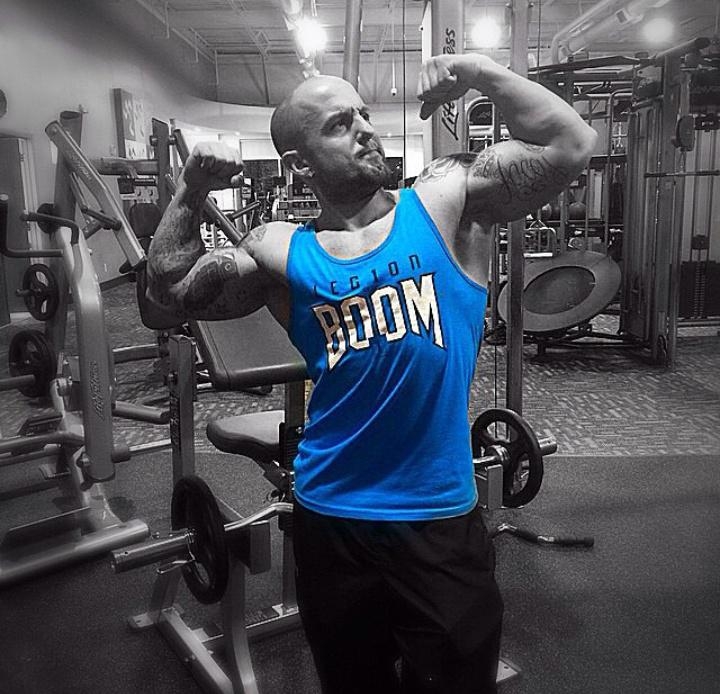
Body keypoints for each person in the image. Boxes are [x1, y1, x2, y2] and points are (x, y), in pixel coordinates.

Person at [146, 52, 596, 694]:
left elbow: (571, 144)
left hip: (437, 517)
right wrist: (191, 190)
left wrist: (479, 73)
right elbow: (166, 297)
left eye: (362, 114)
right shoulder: (280, 249)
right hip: (330, 518)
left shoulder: (444, 200)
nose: (364, 128)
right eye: (339, 123)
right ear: (299, 163)